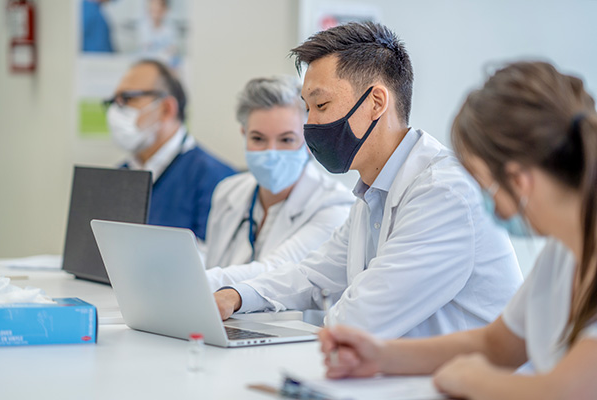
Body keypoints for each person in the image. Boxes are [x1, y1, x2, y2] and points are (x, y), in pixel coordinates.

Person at [214, 22, 522, 338]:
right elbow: (313, 275)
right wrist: (235, 296)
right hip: (409, 379)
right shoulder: (373, 193)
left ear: (376, 102)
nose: (310, 124)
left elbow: (361, 318)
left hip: (465, 384)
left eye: (321, 105)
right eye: (307, 109)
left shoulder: (444, 192)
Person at [318, 61, 597, 399]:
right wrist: (380, 356)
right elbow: (495, 344)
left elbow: (563, 391)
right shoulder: (562, 253)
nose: (483, 200)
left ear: (520, 182)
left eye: (482, 183)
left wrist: (470, 379)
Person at [204, 76, 354, 291]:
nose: (271, 152)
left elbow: (274, 272)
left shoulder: (335, 206)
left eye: (286, 140)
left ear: (309, 141)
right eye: (258, 139)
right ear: (244, 135)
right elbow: (213, 261)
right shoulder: (228, 191)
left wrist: (196, 281)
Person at [104, 59, 236, 240]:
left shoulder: (217, 179)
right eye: (114, 101)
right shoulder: (118, 176)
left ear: (167, 109)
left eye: (128, 99)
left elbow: (214, 261)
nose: (116, 111)